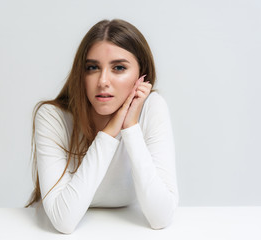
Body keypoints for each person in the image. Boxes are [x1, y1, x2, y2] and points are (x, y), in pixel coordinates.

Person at [25, 19, 179, 234]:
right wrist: (110, 132)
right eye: (92, 67)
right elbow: (64, 221)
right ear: (81, 73)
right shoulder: (53, 117)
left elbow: (160, 217)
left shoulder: (152, 108)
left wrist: (131, 127)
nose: (103, 81)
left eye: (118, 68)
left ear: (141, 75)